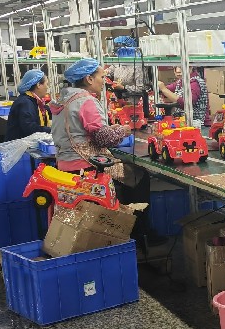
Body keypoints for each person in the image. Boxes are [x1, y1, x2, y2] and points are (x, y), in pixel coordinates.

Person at [49, 58, 155, 243]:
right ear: (89, 79)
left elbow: (84, 131)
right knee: (139, 176)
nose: (103, 81)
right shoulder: (85, 100)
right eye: (101, 77)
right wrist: (123, 130)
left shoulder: (64, 99)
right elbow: (103, 138)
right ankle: (139, 234)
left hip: (65, 163)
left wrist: (110, 129)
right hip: (86, 165)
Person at [5, 69, 51, 142]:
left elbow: (46, 111)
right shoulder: (25, 102)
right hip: (19, 146)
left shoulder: (34, 100)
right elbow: (29, 128)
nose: (47, 87)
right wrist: (52, 130)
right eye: (46, 84)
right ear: (38, 85)